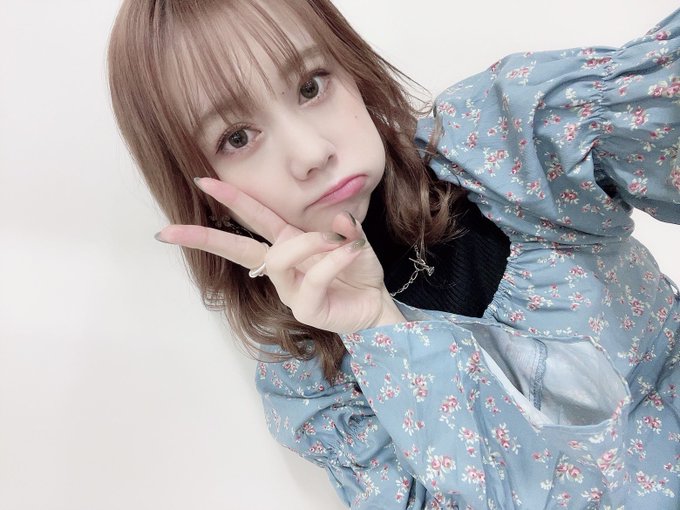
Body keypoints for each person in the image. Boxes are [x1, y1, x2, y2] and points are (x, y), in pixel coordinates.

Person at [107, 0, 680, 507]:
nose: (310, 152)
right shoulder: (316, 391)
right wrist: (381, 331)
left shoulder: (504, 143)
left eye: (310, 85)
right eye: (237, 138)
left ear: (351, 69)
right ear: (204, 193)